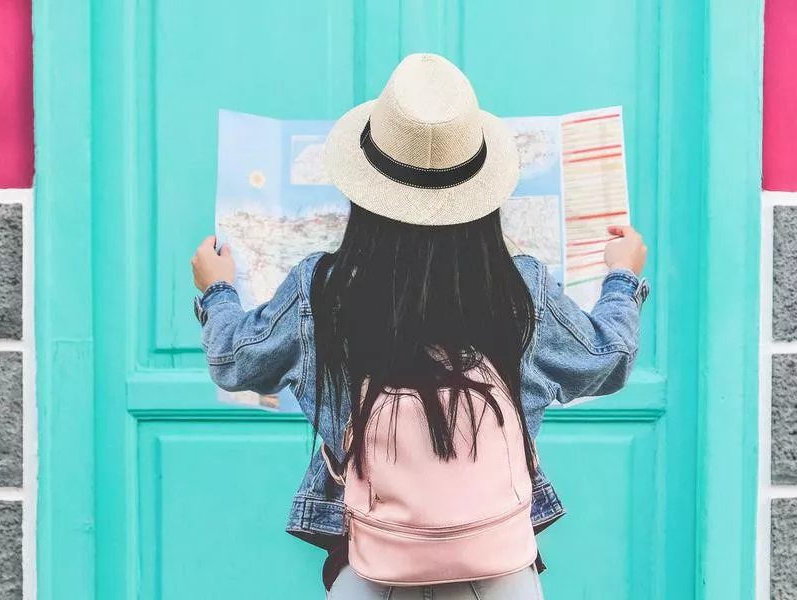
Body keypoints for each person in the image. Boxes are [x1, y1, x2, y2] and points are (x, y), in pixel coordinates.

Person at [191, 53, 649, 599]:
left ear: (365, 190)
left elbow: (232, 360)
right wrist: (622, 278)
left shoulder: (323, 292)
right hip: (499, 572)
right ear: (481, 193)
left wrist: (217, 289)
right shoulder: (520, 289)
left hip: (372, 567)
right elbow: (608, 358)